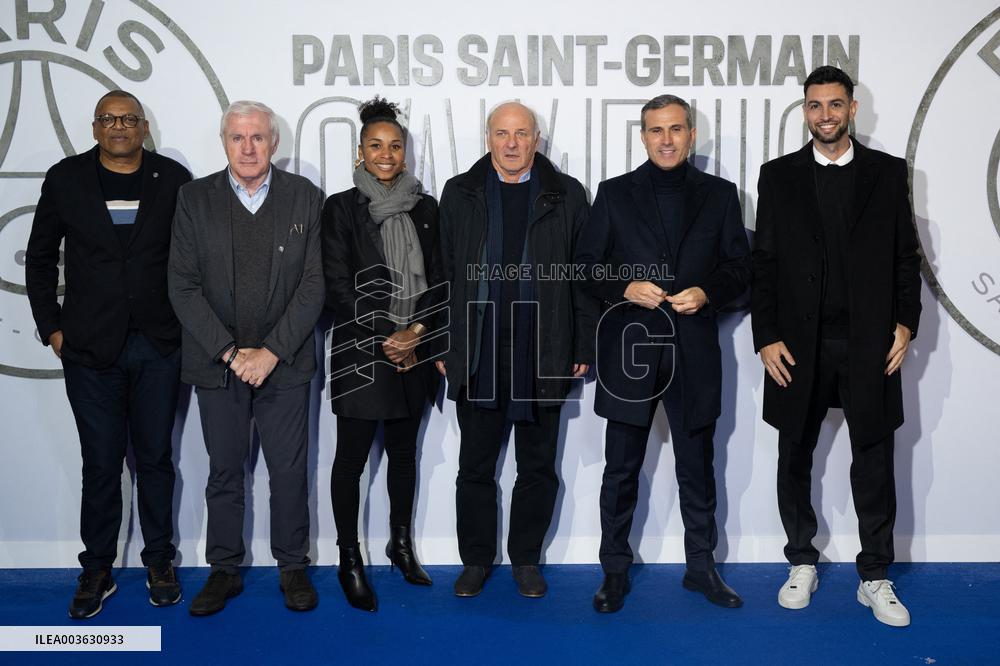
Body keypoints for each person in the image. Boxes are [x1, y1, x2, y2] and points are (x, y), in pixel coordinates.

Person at [751, 66, 922, 627]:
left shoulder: (888, 172)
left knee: (873, 459)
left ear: (852, 109)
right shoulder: (777, 177)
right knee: (793, 452)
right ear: (805, 112)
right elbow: (765, 264)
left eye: (835, 104)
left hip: (870, 342)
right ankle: (801, 559)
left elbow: (905, 257)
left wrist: (906, 323)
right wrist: (765, 336)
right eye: (815, 105)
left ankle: (874, 574)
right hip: (798, 344)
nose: (825, 115)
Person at [576, 94, 751, 613]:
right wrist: (625, 287)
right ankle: (613, 572)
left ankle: (701, 568)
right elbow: (585, 267)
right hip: (630, 351)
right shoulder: (613, 194)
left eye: (676, 129)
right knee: (621, 469)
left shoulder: (720, 196)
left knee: (697, 466)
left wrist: (708, 292)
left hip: (693, 350)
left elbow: (741, 269)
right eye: (656, 130)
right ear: (643, 136)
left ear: (691, 135)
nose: (667, 139)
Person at [25, 90, 190, 619]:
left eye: (128, 118)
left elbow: (190, 260)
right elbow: (42, 258)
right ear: (95, 127)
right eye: (108, 118)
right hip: (89, 348)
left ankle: (159, 561)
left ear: (144, 126)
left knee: (156, 459)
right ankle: (96, 567)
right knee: (99, 464)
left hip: (159, 346)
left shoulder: (173, 179)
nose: (118, 126)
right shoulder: (65, 178)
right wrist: (51, 329)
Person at [168, 100, 325, 615]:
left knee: (288, 471)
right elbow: (183, 286)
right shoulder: (194, 199)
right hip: (221, 364)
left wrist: (272, 352)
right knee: (224, 471)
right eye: (238, 138)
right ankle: (224, 569)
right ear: (224, 142)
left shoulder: (306, 197)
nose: (249, 147)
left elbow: (313, 285)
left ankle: (292, 566)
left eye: (258, 137)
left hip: (286, 363)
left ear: (274, 142)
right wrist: (235, 354)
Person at [436, 101, 595, 598]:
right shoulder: (459, 193)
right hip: (477, 347)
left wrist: (583, 340)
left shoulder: (566, 194)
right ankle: (476, 561)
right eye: (502, 133)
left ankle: (526, 559)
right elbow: (441, 271)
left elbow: (585, 274)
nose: (511, 143)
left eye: (521, 133)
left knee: (538, 466)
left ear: (536, 140)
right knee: (475, 467)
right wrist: (442, 339)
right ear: (488, 138)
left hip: (543, 348)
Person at [321, 97, 445, 612]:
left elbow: (441, 278)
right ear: (360, 152)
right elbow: (337, 283)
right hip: (360, 348)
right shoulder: (340, 207)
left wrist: (415, 331)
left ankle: (400, 544)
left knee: (403, 454)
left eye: (395, 146)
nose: (387, 154)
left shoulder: (427, 207)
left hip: (413, 347)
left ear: (406, 153)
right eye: (376, 145)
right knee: (350, 459)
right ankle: (348, 558)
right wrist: (385, 335)